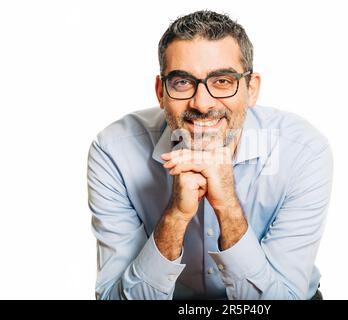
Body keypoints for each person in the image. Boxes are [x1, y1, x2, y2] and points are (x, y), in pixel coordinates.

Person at [87, 10, 333, 300]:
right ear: (160, 91)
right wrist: (176, 216)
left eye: (222, 81)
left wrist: (227, 205)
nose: (202, 103)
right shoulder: (115, 151)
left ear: (251, 89)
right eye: (182, 82)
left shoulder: (302, 151)